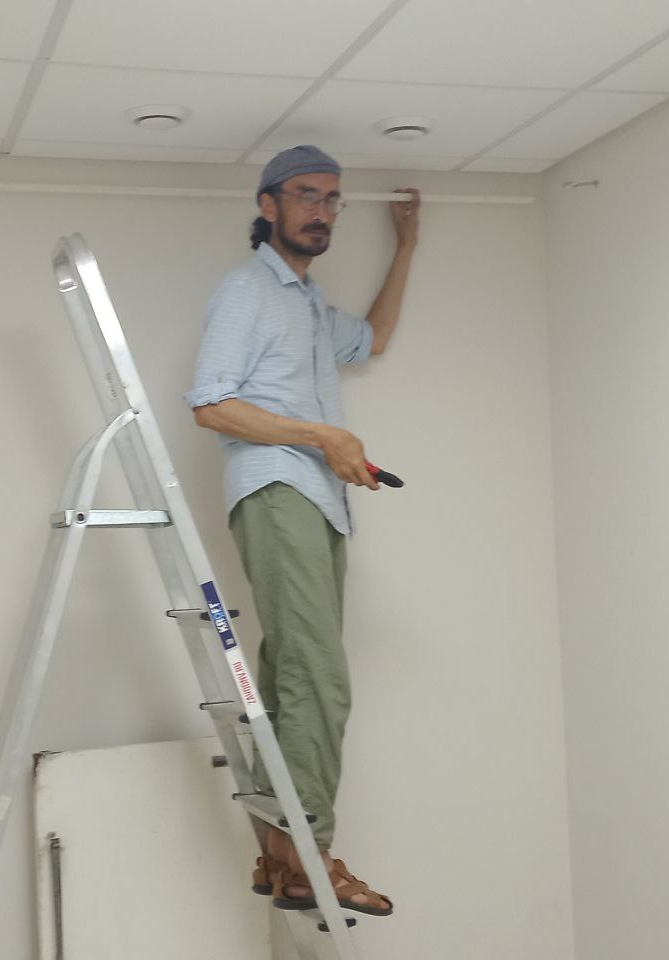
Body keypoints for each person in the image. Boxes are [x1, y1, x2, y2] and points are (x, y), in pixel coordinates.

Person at [184, 144, 418, 916]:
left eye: (332, 200)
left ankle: (280, 858)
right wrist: (325, 437)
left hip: (318, 502)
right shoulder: (249, 289)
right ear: (269, 205)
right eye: (307, 195)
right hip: (278, 491)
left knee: (292, 677)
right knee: (319, 678)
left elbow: (372, 339)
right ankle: (313, 855)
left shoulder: (308, 303)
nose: (322, 212)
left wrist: (407, 245)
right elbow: (211, 404)